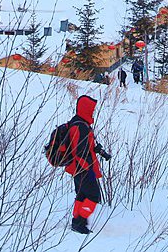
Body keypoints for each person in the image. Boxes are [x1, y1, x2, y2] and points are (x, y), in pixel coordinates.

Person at [66, 95, 111, 234]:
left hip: (77, 168)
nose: (93, 112)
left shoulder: (79, 123)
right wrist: (88, 169)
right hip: (84, 169)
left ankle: (77, 222)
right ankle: (80, 222)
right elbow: (79, 150)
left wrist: (100, 151)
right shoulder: (81, 127)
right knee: (93, 195)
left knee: (82, 194)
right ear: (85, 109)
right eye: (91, 110)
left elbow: (86, 145)